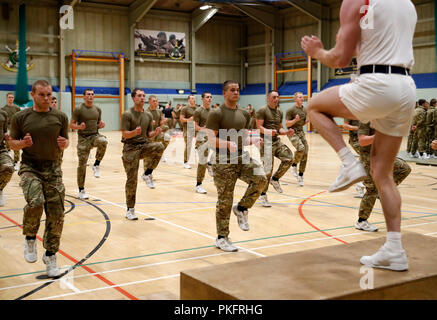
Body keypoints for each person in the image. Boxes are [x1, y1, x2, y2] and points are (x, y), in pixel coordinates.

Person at [301, 0, 417, 271]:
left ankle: (348, 162)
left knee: (314, 106)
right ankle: (394, 248)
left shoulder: (356, 1)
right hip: (407, 88)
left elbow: (341, 58)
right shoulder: (407, 4)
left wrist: (317, 51)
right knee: (382, 173)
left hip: (377, 83)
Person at [9, 79, 69, 278]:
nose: (46, 98)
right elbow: (12, 144)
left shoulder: (60, 116)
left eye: (49, 94)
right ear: (33, 95)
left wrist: (64, 144)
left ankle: (51, 255)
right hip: (30, 167)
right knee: (36, 202)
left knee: (57, 213)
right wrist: (22, 144)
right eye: (42, 94)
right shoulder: (20, 117)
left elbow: (65, 141)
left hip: (53, 168)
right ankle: (30, 238)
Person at [205, 80, 267, 252]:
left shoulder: (245, 114)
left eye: (238, 90)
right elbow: (211, 139)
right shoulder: (216, 113)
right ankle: (221, 238)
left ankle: (241, 208)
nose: (236, 93)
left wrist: (254, 140)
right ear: (224, 93)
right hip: (223, 160)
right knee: (225, 199)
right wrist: (226, 144)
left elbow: (244, 137)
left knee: (261, 178)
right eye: (232, 90)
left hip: (241, 156)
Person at [356, 121, 411, 232]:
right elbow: (362, 141)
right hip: (369, 159)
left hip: (382, 155)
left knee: (404, 168)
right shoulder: (366, 119)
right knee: (372, 190)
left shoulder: (384, 117)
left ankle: (383, 191)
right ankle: (361, 221)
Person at [121, 89, 165, 220]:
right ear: (133, 98)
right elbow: (124, 134)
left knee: (160, 146)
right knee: (132, 179)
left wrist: (155, 133)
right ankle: (130, 209)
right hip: (130, 149)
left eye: (143, 96)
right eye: (139, 96)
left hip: (143, 146)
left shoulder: (148, 116)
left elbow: (148, 135)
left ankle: (147, 173)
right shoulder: (127, 114)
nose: (142, 98)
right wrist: (134, 132)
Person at [255, 90, 294, 207]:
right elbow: (259, 127)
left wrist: (286, 132)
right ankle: (262, 195)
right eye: (274, 97)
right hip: (265, 143)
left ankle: (275, 179)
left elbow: (280, 129)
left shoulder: (279, 111)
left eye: (277, 97)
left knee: (289, 158)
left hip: (276, 141)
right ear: (268, 98)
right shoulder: (262, 111)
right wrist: (268, 131)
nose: (276, 99)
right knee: (267, 171)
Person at [69, 89, 108, 200]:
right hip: (83, 139)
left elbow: (98, 123)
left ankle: (96, 164)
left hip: (94, 136)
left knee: (103, 141)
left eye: (92, 94)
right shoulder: (79, 109)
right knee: (82, 165)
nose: (90, 96)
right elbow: (71, 125)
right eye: (88, 94)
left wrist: (101, 125)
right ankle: (81, 190)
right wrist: (79, 127)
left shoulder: (97, 109)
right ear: (84, 97)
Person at [142, 95, 170, 188]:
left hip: (157, 134)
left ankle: (147, 173)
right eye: (153, 101)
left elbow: (160, 122)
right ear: (149, 102)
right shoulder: (145, 112)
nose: (156, 102)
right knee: (148, 157)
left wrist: (163, 122)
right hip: (148, 136)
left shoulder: (159, 111)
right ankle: (147, 174)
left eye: (156, 101)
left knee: (166, 137)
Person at [285, 92, 309, 187]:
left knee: (305, 153)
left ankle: (300, 175)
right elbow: (287, 124)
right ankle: (294, 164)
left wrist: (308, 121)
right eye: (299, 97)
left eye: (302, 97)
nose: (302, 98)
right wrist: (295, 120)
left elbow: (302, 123)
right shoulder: (291, 110)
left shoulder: (304, 109)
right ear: (295, 99)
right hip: (292, 132)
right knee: (301, 148)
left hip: (301, 132)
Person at [193, 92, 213, 194]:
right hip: (201, 139)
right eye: (207, 97)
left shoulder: (213, 111)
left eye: (210, 97)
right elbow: (195, 127)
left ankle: (210, 164)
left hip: (212, 138)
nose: (209, 99)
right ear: (202, 99)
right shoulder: (198, 111)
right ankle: (198, 184)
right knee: (202, 161)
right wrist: (203, 129)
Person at [343, 119, 365, 198]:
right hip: (356, 140)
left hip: (366, 139)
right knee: (366, 158)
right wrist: (357, 128)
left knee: (367, 161)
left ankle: (360, 185)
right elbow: (345, 125)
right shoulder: (350, 110)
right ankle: (359, 186)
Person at [1, 92, 21, 170]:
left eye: (12, 97)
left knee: (16, 146)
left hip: (15, 129)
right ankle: (8, 161)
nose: (11, 99)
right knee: (7, 146)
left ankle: (16, 162)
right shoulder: (3, 109)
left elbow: (20, 119)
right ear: (6, 98)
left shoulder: (17, 108)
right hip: (7, 129)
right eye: (9, 97)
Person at [0, 108, 14, 206]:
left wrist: (8, 137)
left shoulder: (3, 114)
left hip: (0, 149)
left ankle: (0, 189)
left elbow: (4, 132)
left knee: (8, 167)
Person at [180, 95, 197, 169]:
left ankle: (197, 148)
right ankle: (186, 162)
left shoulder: (198, 108)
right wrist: (189, 120)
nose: (194, 100)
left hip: (196, 127)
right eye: (192, 98)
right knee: (188, 145)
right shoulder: (185, 108)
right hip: (188, 127)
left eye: (194, 98)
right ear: (188, 100)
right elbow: (181, 119)